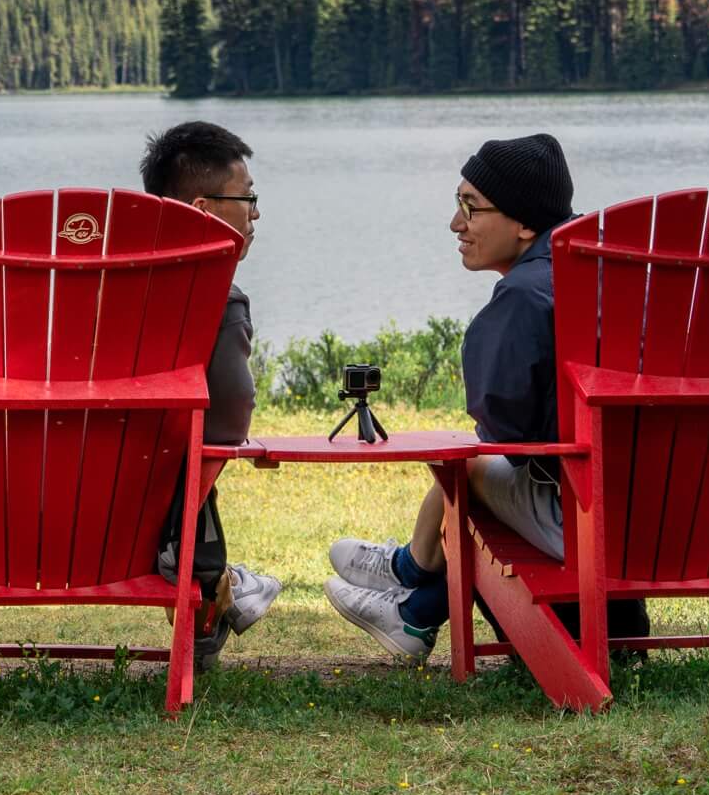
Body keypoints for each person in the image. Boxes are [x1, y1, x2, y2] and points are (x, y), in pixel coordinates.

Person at [322, 133, 643, 660]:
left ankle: (411, 579)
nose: (456, 224)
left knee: (465, 468)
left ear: (523, 224)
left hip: (593, 523)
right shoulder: (620, 276)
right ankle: (413, 603)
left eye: (469, 208)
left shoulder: (524, 296)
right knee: (481, 465)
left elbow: (505, 432)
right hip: (684, 522)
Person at [141, 120, 282, 670]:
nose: (254, 213)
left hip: (48, 516)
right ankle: (213, 583)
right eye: (246, 198)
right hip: (162, 531)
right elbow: (230, 420)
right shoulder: (220, 299)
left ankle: (219, 580)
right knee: (192, 461)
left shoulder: (94, 286)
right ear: (201, 209)